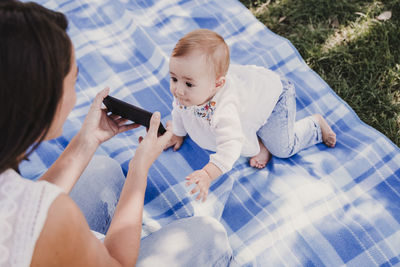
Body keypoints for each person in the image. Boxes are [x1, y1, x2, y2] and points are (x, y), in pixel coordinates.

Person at [0, 2, 233, 266]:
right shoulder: (55, 215)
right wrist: (139, 167)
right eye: (74, 79)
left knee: (102, 169)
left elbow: (24, 205)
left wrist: (86, 142)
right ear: (43, 100)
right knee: (208, 236)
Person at [165, 29, 336, 202]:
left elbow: (230, 146)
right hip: (250, 100)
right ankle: (260, 143)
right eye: (174, 79)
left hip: (275, 99)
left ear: (217, 84)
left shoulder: (224, 111)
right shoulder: (188, 94)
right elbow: (178, 111)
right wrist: (177, 133)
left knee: (282, 148)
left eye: (188, 83)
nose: (178, 90)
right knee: (244, 123)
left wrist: (208, 173)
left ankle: (315, 126)